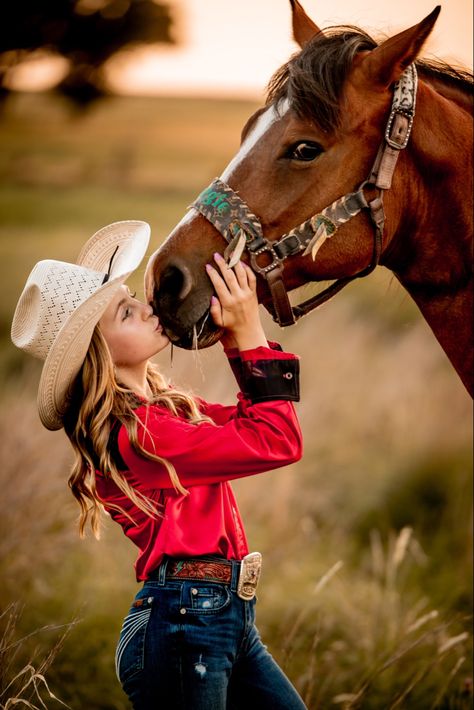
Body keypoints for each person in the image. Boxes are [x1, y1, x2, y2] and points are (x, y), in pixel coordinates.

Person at [11, 220, 307, 710]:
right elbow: (276, 440)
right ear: (99, 353)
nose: (148, 308)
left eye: (133, 298)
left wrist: (236, 337)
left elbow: (256, 421)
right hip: (186, 621)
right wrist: (248, 329)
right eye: (126, 312)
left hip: (219, 617)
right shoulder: (141, 435)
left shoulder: (165, 412)